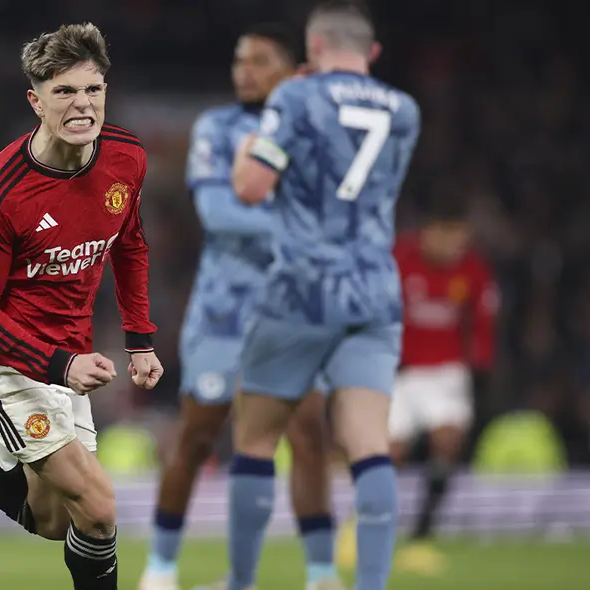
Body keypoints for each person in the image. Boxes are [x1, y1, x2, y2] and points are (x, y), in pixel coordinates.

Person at [201, 2, 422, 589]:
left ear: (315, 47)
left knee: (255, 439)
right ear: (372, 52)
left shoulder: (296, 98)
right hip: (374, 291)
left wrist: (262, 132)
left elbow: (251, 187)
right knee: (368, 444)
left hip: (303, 288)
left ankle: (240, 583)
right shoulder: (404, 110)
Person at [0, 22, 163, 590]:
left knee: (52, 522)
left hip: (67, 353)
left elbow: (130, 244)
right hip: (4, 359)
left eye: (92, 89)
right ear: (36, 101)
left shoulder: (126, 157)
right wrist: (60, 366)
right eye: (64, 91)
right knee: (98, 507)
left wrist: (140, 339)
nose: (82, 104)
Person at [138, 24, 338, 590]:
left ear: (291, 71)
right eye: (239, 60)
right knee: (197, 436)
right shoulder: (217, 128)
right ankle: (160, 568)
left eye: (260, 60)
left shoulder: (314, 134)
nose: (245, 71)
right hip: (223, 315)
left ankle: (322, 574)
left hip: (293, 313)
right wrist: (298, 231)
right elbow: (219, 215)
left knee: (309, 436)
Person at [389, 200, 497, 573]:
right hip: (399, 371)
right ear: (429, 231)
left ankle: (421, 539)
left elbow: (482, 322)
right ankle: (361, 526)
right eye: (449, 235)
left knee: (447, 440)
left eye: (461, 237)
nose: (455, 245)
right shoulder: (399, 259)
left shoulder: (473, 270)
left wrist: (481, 365)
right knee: (388, 453)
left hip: (446, 372)